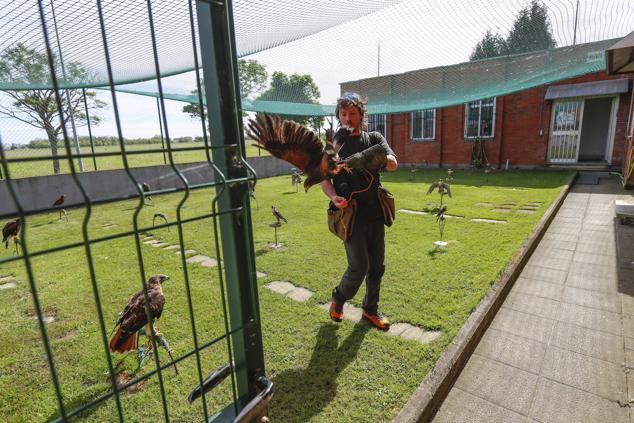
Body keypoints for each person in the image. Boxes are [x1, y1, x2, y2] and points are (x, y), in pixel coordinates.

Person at [321, 92, 398, 331]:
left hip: (374, 211)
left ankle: (370, 310)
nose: (347, 118)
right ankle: (339, 298)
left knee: (377, 266)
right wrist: (334, 196)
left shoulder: (373, 137)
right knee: (359, 266)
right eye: (343, 114)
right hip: (350, 215)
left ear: (361, 114)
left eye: (352, 113)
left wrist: (369, 158)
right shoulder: (334, 144)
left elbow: (394, 164)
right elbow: (324, 178)